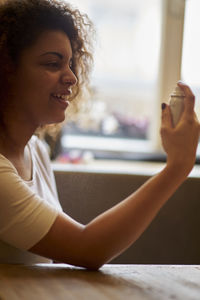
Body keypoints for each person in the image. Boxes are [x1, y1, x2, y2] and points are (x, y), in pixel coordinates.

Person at [0, 0, 199, 270]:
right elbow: (87, 249)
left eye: (70, 64)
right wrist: (176, 168)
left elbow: (56, 258)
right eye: (52, 63)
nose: (71, 77)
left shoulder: (36, 151)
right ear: (6, 69)